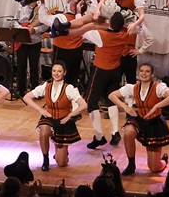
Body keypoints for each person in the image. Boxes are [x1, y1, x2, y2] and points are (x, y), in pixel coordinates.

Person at [55, 11, 129, 148]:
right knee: (111, 99)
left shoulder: (101, 35)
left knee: (91, 102)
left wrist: (80, 14)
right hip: (115, 70)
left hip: (101, 70)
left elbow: (83, 31)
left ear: (110, 22)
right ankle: (115, 132)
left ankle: (99, 136)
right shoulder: (125, 33)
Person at [108, 63, 169, 175]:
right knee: (128, 132)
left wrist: (157, 106)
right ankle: (131, 164)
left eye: (147, 71)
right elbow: (112, 95)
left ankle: (163, 161)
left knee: (154, 168)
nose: (144, 74)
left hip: (154, 122)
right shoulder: (133, 88)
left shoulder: (158, 87)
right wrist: (126, 107)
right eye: (141, 71)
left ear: (152, 74)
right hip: (139, 119)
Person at [23, 60, 86, 172]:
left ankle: (63, 153)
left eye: (59, 71)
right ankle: (45, 159)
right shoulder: (46, 86)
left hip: (63, 122)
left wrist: (70, 116)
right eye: (54, 71)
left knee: (61, 163)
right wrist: (40, 109)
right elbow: (26, 97)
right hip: (49, 118)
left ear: (64, 73)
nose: (56, 74)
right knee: (43, 131)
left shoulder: (69, 88)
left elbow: (84, 105)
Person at [14, 0, 48, 94]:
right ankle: (21, 90)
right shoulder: (21, 7)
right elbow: (15, 21)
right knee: (21, 67)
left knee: (34, 67)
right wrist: (21, 29)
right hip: (22, 42)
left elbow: (46, 25)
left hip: (35, 42)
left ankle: (35, 91)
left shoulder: (41, 9)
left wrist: (35, 29)